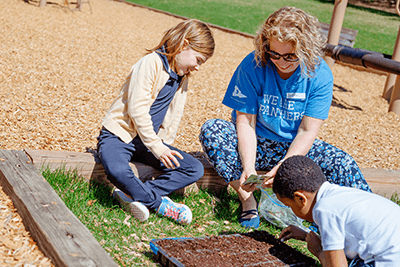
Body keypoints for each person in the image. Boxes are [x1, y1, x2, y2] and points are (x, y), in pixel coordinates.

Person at [199, 6, 371, 229]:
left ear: (306, 49)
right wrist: (249, 167)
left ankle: (370, 217)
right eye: (274, 54)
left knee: (342, 163)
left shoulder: (319, 74)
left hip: (294, 147)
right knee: (212, 130)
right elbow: (246, 122)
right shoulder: (252, 65)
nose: (281, 62)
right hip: (256, 142)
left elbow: (307, 131)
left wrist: (284, 165)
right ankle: (247, 200)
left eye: (290, 56)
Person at [97, 19, 215, 225]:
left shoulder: (181, 76)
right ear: (184, 44)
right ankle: (159, 204)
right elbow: (137, 110)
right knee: (116, 169)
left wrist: (161, 144)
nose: (197, 67)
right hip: (120, 135)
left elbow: (172, 114)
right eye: (198, 60)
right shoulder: (150, 63)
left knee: (193, 168)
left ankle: (134, 195)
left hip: (147, 142)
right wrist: (157, 147)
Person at [275, 155, 400, 267]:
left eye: (288, 205)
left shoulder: (324, 209)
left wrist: (319, 251)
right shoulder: (339, 194)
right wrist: (305, 236)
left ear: (300, 198)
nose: (290, 209)